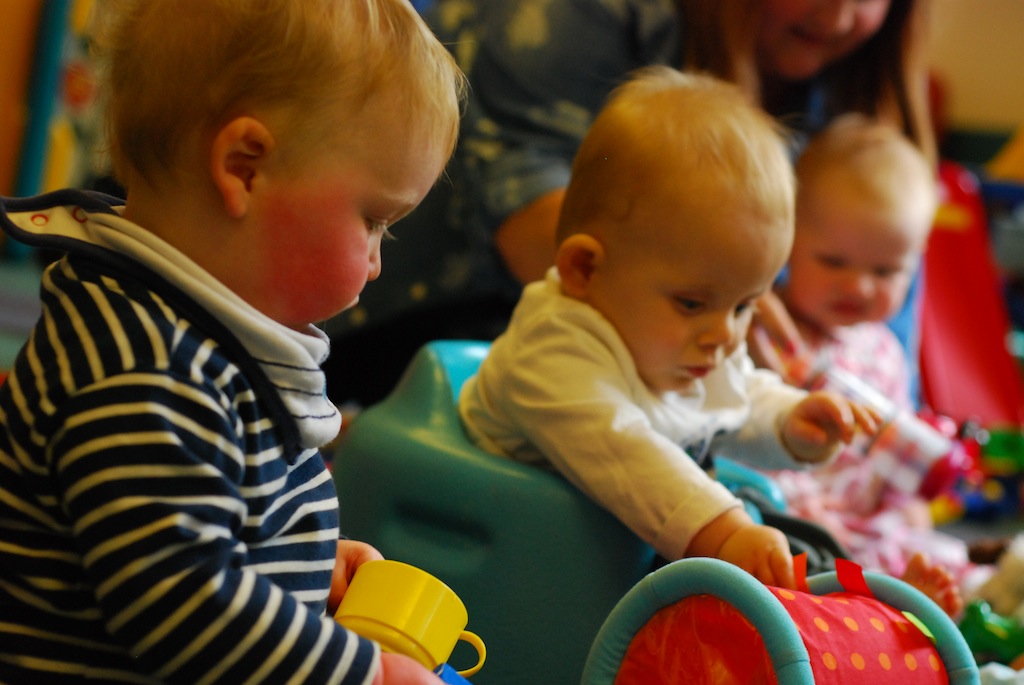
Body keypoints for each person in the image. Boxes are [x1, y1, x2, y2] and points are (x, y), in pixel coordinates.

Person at [0, 0, 463, 683]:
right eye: (373, 219)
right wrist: (368, 674)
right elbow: (181, 603)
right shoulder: (145, 373)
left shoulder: (190, 333)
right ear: (245, 168)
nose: (375, 263)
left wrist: (303, 560)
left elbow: (198, 522)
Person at [323, 0, 936, 408]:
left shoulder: (851, 87)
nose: (838, 15)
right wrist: (728, 321)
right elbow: (534, 228)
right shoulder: (588, 14)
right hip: (392, 339)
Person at [459, 67, 881, 591]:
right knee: (759, 556)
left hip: (623, 542)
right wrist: (727, 533)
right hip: (527, 550)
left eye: (745, 305)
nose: (724, 334)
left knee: (806, 543)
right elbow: (626, 453)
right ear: (585, 269)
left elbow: (733, 399)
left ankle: (866, 604)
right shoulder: (550, 354)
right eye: (691, 302)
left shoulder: (682, 339)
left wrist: (788, 423)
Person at [753, 114, 973, 597]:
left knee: (939, 551)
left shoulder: (885, 351)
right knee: (801, 558)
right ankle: (887, 602)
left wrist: (905, 501)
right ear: (789, 239)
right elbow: (750, 435)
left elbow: (895, 446)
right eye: (834, 261)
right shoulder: (767, 334)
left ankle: (933, 600)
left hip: (867, 523)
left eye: (886, 271)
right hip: (792, 517)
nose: (858, 286)